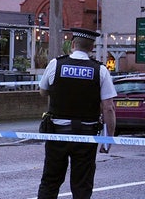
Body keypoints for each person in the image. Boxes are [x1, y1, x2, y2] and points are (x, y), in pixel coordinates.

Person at [37, 27, 117, 199]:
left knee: (50, 182)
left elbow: (43, 91)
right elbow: (108, 107)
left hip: (57, 134)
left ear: (72, 44)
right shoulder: (100, 70)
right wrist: (108, 138)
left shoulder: (56, 64)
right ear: (91, 48)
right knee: (82, 185)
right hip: (86, 136)